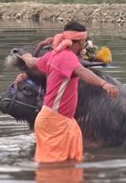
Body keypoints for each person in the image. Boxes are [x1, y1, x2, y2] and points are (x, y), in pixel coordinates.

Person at [20, 21, 119, 163]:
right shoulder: (67, 57)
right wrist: (103, 84)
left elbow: (32, 62)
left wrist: (26, 57)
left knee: (65, 167)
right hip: (54, 122)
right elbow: (82, 71)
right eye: (84, 42)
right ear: (79, 41)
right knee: (53, 169)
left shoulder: (53, 55)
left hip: (55, 120)